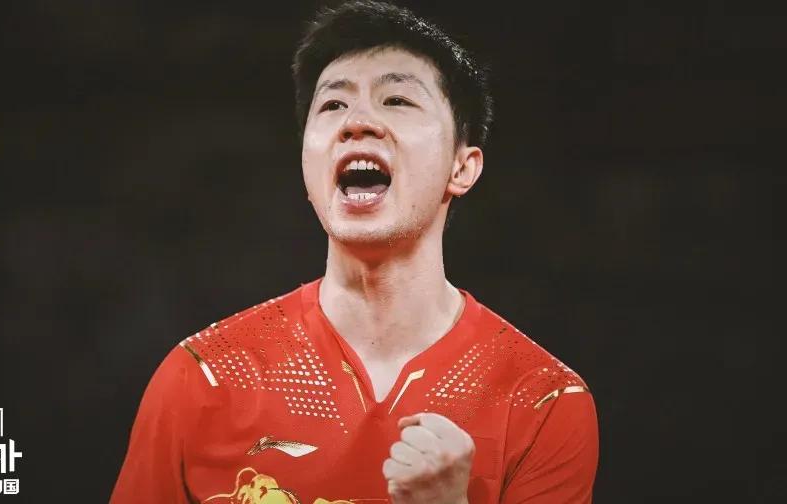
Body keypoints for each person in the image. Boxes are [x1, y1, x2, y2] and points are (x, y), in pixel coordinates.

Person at [111, 1, 598, 503]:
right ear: (307, 164)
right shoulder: (204, 377)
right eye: (333, 105)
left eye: (397, 100)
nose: (357, 122)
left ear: (462, 167)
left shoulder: (542, 398)